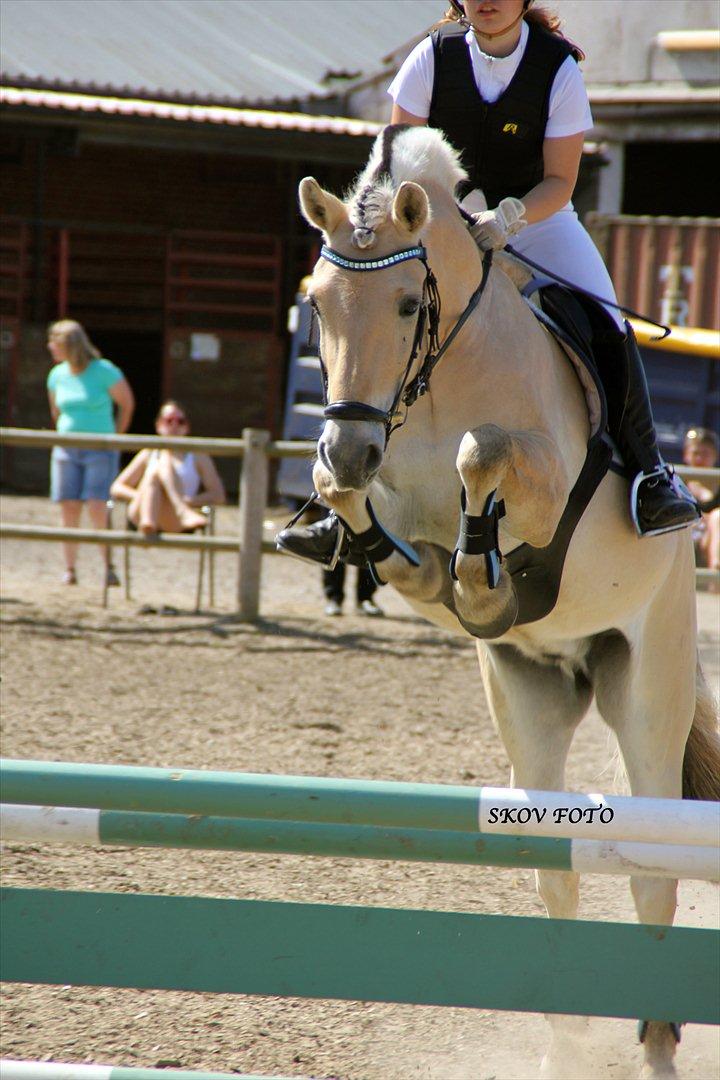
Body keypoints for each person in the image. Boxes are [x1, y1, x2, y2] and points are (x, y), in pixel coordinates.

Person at [277, 0, 699, 569]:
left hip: (535, 220)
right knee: (372, 306)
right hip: (438, 223)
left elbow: (561, 180)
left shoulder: (557, 67)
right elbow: (391, 156)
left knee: (609, 322)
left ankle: (650, 475)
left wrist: (508, 220)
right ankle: (336, 500)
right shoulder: (431, 56)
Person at [47, 318, 135, 586]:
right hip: (66, 449)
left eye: (55, 342)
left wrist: (115, 438)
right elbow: (56, 411)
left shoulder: (104, 371)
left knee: (97, 505)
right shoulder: (56, 375)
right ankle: (70, 569)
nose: (50, 347)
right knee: (69, 507)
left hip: (100, 449)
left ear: (70, 345)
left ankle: (108, 566)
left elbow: (127, 404)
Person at [110, 400, 225, 535]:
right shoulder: (148, 453)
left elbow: (218, 495)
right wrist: (143, 496)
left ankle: (157, 518)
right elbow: (116, 487)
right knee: (161, 462)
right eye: (169, 420)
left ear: (187, 427)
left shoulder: (198, 457)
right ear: (158, 425)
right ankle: (176, 512)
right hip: (140, 513)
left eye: (180, 421)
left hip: (172, 518)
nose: (175, 425)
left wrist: (189, 501)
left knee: (158, 468)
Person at [683, 427, 719, 588]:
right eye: (696, 453)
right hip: (682, 539)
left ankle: (715, 579)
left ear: (715, 457)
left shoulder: (716, 485)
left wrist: (702, 491)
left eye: (705, 454)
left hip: (707, 542)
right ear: (686, 454)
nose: (699, 458)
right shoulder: (676, 481)